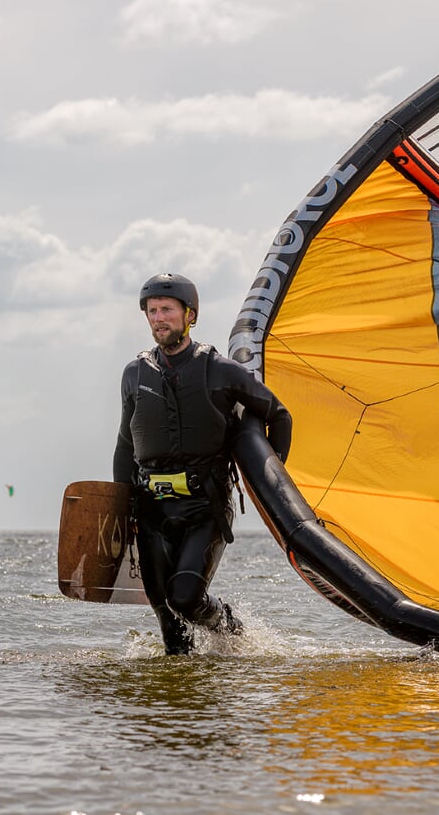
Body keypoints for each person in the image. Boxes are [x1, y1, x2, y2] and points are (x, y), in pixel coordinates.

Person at [113, 273, 292, 655]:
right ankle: (182, 705)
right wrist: (120, 510)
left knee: (186, 597)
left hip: (204, 507)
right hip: (151, 509)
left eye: (167, 310)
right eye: (152, 311)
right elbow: (125, 445)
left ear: (189, 315)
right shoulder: (134, 373)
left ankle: (232, 632)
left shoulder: (220, 370)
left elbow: (279, 416)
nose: (159, 318)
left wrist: (272, 485)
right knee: (167, 619)